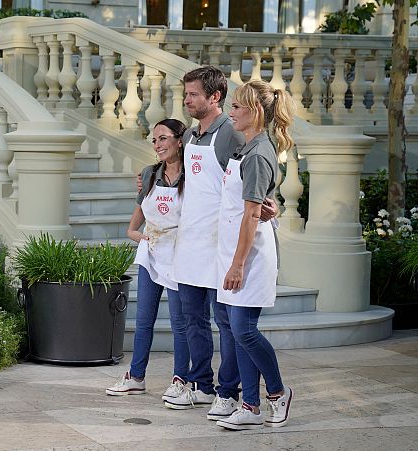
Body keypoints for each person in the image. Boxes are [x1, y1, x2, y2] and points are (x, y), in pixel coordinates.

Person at [151, 67, 277, 422]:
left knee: (228, 324)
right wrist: (149, 178)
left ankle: (229, 391)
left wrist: (270, 204)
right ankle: (201, 383)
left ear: (214, 97)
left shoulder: (231, 136)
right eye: (186, 94)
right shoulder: (190, 134)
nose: (187, 100)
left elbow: (251, 185)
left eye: (192, 95)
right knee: (192, 318)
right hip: (191, 239)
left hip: (220, 244)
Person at [214, 80, 294, 430]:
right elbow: (252, 205)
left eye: (237, 106)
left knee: (244, 330)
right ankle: (250, 405)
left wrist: (237, 264)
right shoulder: (246, 148)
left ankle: (276, 393)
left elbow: (250, 215)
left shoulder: (259, 154)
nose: (230, 111)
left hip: (250, 254)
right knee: (235, 327)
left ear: (255, 112)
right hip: (233, 248)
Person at [106, 119, 191, 401]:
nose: (158, 145)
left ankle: (181, 379)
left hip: (180, 255)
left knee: (180, 322)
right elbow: (135, 223)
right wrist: (137, 235)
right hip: (152, 254)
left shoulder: (193, 175)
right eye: (154, 140)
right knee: (144, 320)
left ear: (180, 140)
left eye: (163, 138)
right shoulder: (149, 173)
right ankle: (136, 377)